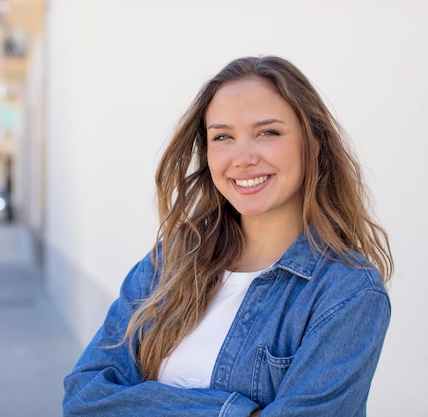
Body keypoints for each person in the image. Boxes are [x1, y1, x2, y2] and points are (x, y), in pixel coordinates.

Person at [63, 56, 393, 417]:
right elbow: (85, 397)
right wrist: (239, 413)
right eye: (223, 137)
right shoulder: (169, 262)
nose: (242, 157)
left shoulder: (347, 292)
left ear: (314, 143)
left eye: (267, 132)